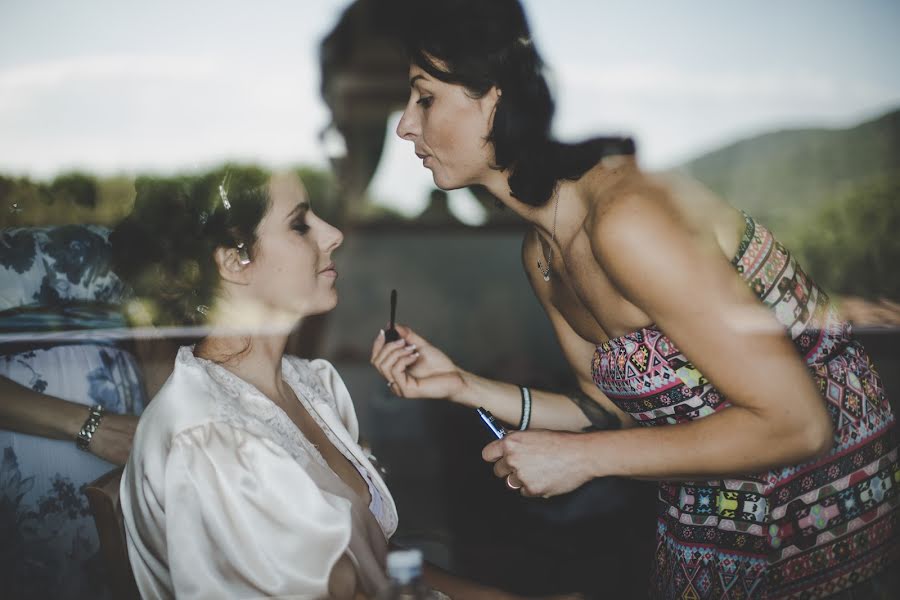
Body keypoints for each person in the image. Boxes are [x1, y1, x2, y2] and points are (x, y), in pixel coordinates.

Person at [369, 1, 899, 598]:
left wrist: (583, 461)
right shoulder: (542, 255)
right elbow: (611, 410)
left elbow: (801, 426)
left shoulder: (628, 219)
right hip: (708, 520)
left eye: (425, 97)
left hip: (818, 523)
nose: (405, 125)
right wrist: (464, 385)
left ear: (493, 96)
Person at [113, 168, 561, 599]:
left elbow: (379, 562)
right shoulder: (211, 439)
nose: (333, 235)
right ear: (234, 260)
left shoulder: (310, 383)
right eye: (300, 224)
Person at [0, 224, 147, 599]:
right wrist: (92, 426)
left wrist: (168, 428)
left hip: (134, 434)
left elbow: (159, 333)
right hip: (23, 442)